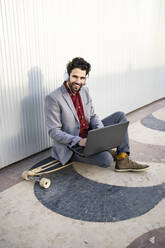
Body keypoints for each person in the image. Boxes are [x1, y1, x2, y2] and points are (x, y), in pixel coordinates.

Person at [45, 57, 149, 172]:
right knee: (106, 159)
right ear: (67, 75)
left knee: (120, 116)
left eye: (82, 78)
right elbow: (54, 131)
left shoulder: (84, 91)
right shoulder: (53, 98)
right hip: (73, 146)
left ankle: (122, 159)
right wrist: (79, 140)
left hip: (91, 136)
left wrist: (100, 132)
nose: (78, 81)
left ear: (86, 78)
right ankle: (105, 151)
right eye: (75, 76)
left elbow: (93, 116)